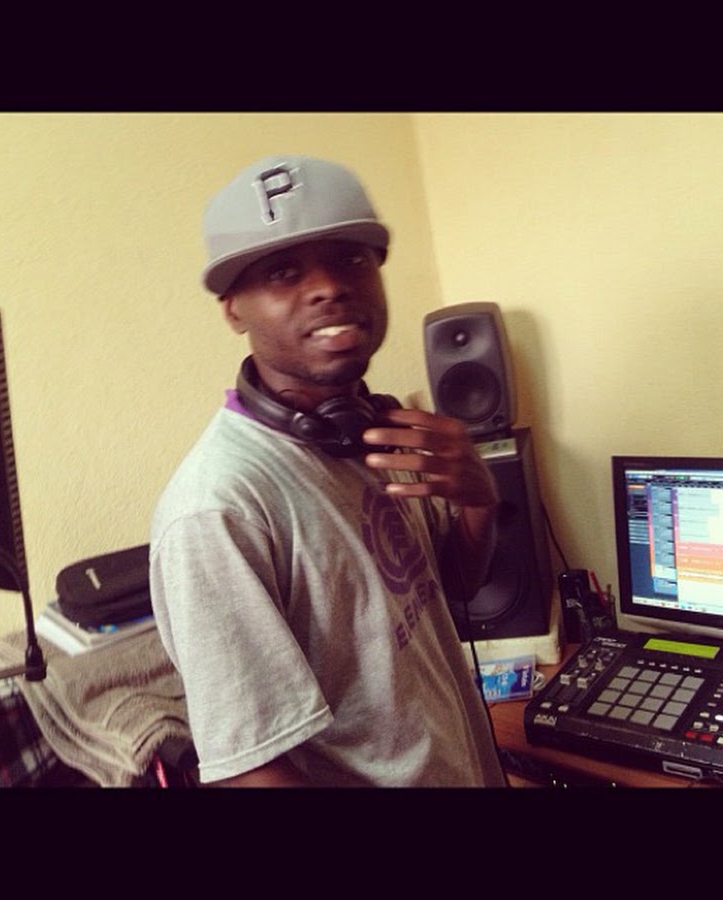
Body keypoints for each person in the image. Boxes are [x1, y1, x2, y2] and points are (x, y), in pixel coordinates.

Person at [149, 154, 508, 787]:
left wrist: (479, 499)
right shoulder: (218, 510)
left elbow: (452, 588)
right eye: (284, 272)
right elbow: (252, 774)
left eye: (350, 259)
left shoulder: (377, 434)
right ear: (233, 309)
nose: (329, 288)